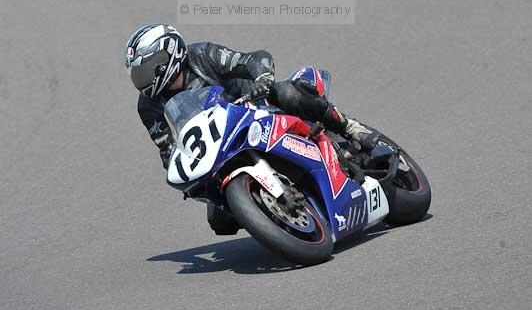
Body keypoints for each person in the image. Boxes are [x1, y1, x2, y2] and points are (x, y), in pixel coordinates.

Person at [124, 23, 380, 234]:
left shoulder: (202, 55)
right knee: (220, 223)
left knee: (288, 93)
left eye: (146, 69)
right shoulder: (148, 106)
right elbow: (168, 150)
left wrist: (263, 80)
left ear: (168, 56)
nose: (143, 80)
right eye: (138, 74)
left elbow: (253, 59)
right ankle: (276, 216)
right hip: (218, 148)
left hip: (254, 109)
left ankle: (349, 127)